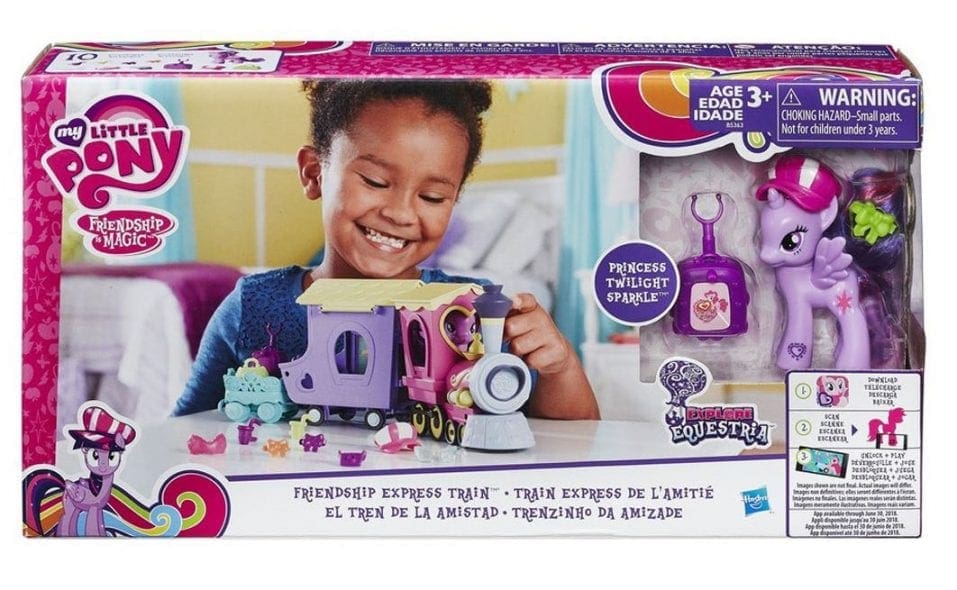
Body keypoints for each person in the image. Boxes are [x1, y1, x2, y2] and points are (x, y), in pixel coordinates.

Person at [173, 79, 599, 420]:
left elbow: (577, 438)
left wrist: (559, 366)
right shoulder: (253, 305)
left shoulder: (470, 309)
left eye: (432, 197)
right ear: (314, 173)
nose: (400, 213)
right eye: (375, 182)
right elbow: (185, 429)